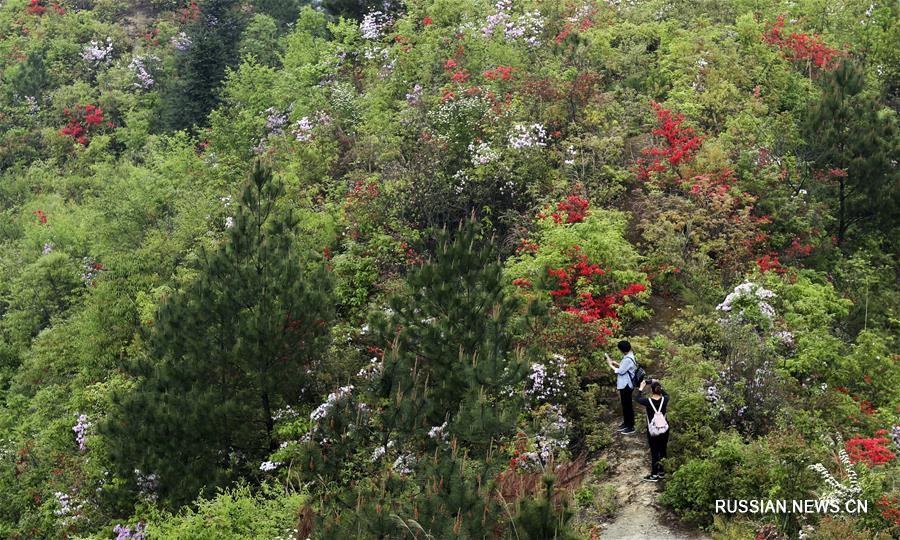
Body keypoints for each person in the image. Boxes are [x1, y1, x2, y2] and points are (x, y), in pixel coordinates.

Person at [635, 378, 669, 482]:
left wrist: (641, 388)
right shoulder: (666, 399)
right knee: (663, 450)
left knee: (654, 452)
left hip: (653, 431)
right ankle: (662, 472)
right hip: (664, 429)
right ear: (659, 389)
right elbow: (664, 393)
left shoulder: (647, 401)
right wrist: (657, 382)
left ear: (651, 391)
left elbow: (637, 398)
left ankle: (654, 475)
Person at [605, 340, 636, 435]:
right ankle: (626, 424)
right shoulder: (629, 356)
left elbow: (621, 371)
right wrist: (617, 363)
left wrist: (610, 365)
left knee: (627, 406)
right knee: (625, 405)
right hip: (625, 384)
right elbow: (625, 368)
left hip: (626, 385)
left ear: (622, 350)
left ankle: (630, 427)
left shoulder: (627, 359)